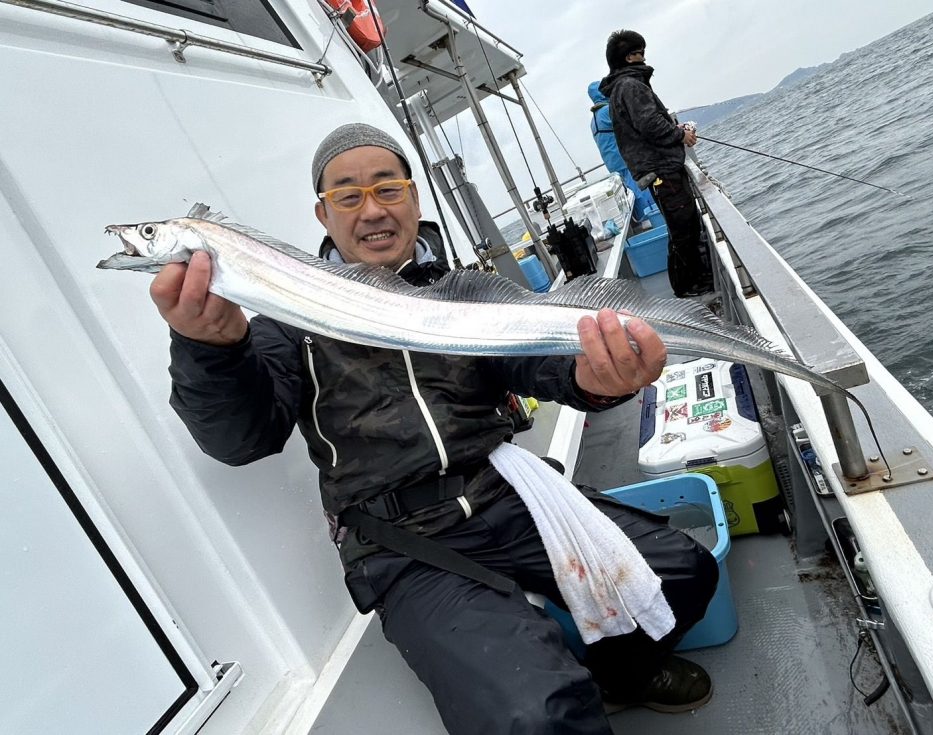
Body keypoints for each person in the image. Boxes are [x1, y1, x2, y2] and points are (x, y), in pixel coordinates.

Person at [149, 122, 718, 734]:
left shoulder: (466, 292)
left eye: (388, 189)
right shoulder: (289, 324)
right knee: (534, 715)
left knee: (685, 570)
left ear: (414, 200)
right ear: (323, 213)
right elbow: (241, 439)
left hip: (505, 491)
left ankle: (622, 675)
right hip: (403, 539)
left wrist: (599, 377)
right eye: (347, 194)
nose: (371, 210)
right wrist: (210, 351)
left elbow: (543, 360)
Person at [599, 30, 714, 298]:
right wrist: (679, 134)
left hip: (657, 168)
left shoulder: (624, 87)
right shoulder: (630, 86)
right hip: (661, 169)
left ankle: (690, 284)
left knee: (682, 225)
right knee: (683, 226)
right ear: (629, 57)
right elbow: (650, 124)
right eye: (640, 52)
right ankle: (690, 286)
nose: (644, 57)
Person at [588, 80, 656, 222]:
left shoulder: (593, 120)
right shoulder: (608, 111)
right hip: (625, 159)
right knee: (641, 191)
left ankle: (644, 220)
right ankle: (654, 217)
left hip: (613, 164)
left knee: (631, 192)